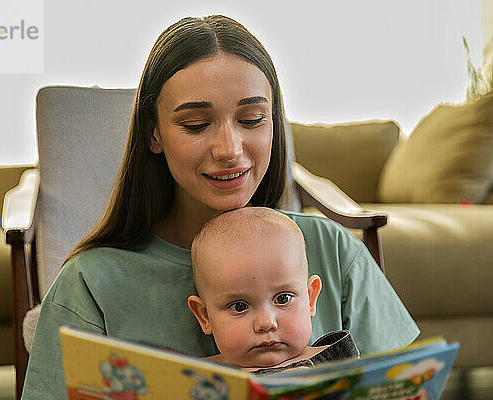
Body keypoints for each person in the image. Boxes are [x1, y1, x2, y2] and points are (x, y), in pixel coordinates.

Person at [21, 15, 419, 399]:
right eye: (196, 125)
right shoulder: (90, 284)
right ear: (154, 134)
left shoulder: (331, 250)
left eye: (252, 119)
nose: (229, 150)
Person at [188, 207, 359, 373]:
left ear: (310, 298)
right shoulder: (194, 380)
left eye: (283, 299)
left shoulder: (340, 364)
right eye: (239, 306)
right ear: (205, 316)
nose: (266, 323)